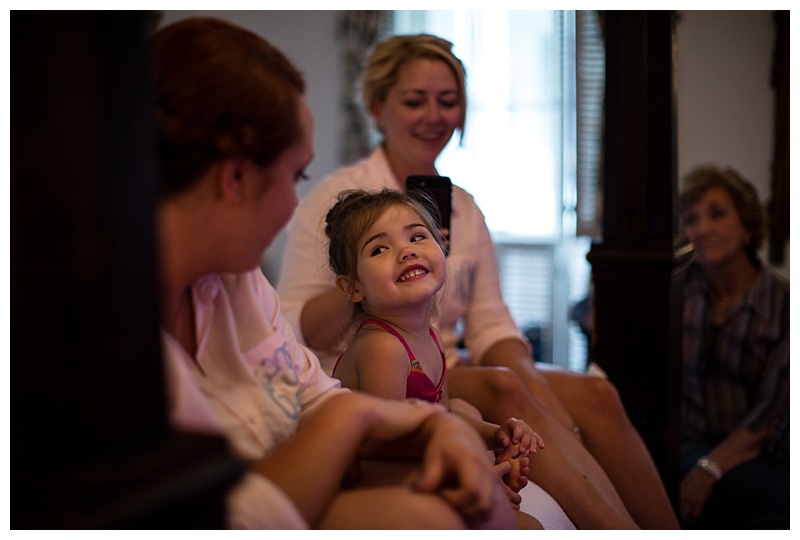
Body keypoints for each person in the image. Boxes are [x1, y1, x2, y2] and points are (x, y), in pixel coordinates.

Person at [278, 33, 678, 529]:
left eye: (448, 102)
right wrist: (374, 275)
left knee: (594, 395)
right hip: (377, 362)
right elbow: (293, 324)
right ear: (378, 107)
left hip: (441, 359)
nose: (433, 115)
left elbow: (490, 322)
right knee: (501, 385)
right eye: (414, 101)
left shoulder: (462, 206)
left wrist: (540, 392)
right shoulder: (337, 200)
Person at [152, 18, 520, 530]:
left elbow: (314, 392)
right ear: (234, 177)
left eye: (419, 236)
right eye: (295, 176)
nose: (294, 203)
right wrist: (364, 413)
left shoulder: (238, 283)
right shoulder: (119, 348)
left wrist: (445, 429)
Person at [325, 188, 547, 528]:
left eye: (417, 236)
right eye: (379, 248)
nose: (406, 251)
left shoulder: (428, 335)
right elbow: (386, 449)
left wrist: (496, 435)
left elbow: (444, 416)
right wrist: (468, 475)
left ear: (442, 248)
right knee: (528, 526)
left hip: (413, 461)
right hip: (378, 481)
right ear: (352, 287)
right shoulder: (383, 347)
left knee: (463, 408)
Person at [677, 164, 789, 529]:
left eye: (717, 213)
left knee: (762, 500)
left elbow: (773, 411)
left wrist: (710, 469)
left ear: (747, 227)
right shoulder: (679, 290)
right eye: (692, 219)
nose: (703, 228)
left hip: (760, 452)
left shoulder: (784, 304)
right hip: (687, 442)